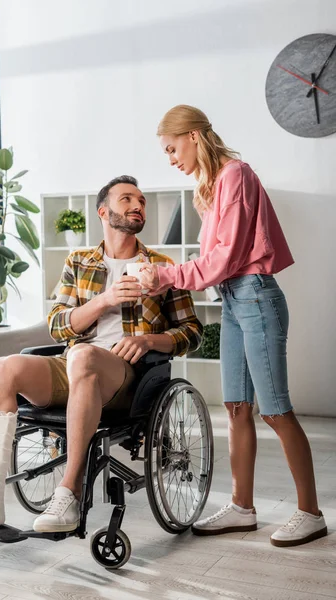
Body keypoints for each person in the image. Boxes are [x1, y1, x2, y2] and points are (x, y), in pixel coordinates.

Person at [0, 174, 203, 535]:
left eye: (141, 200)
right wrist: (104, 300)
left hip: (128, 377)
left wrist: (149, 342)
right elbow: (59, 325)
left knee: (84, 357)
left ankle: (70, 491)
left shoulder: (162, 266)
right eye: (126, 199)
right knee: (3, 368)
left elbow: (192, 331)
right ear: (103, 211)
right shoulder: (78, 261)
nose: (138, 206)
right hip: (73, 365)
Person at [140, 105, 327, 548]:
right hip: (233, 299)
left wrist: (165, 276)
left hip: (256, 296)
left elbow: (223, 259)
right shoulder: (212, 185)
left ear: (193, 136)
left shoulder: (236, 175)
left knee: (275, 409)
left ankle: (311, 513)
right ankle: (243, 508)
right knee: (237, 406)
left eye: (171, 148)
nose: (170, 159)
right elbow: (218, 264)